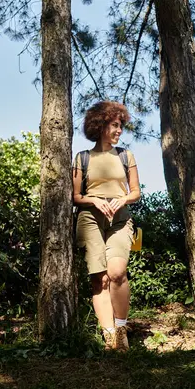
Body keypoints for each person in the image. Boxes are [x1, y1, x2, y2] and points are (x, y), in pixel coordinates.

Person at [72, 101, 141, 351]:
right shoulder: (83, 158)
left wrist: (122, 198)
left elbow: (136, 192)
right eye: (115, 125)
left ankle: (121, 329)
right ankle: (109, 335)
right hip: (90, 218)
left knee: (117, 273)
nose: (119, 130)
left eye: (121, 125)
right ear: (100, 125)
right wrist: (95, 200)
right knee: (99, 279)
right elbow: (76, 196)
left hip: (120, 219)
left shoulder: (125, 156)